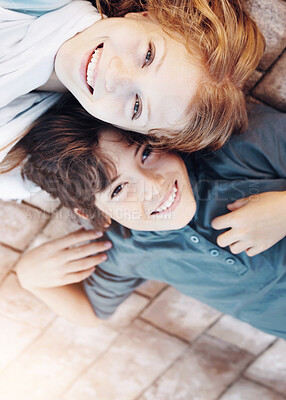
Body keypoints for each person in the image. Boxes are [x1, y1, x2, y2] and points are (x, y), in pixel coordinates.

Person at [15, 96, 286, 338]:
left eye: (146, 153)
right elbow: (92, 313)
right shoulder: (124, 249)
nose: (154, 186)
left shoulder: (239, 144)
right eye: (119, 189)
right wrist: (29, 279)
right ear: (93, 213)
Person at [0, 0, 265, 198]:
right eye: (148, 55)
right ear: (145, 16)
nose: (115, 75)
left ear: (124, 129)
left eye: (137, 107)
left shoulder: (33, 129)